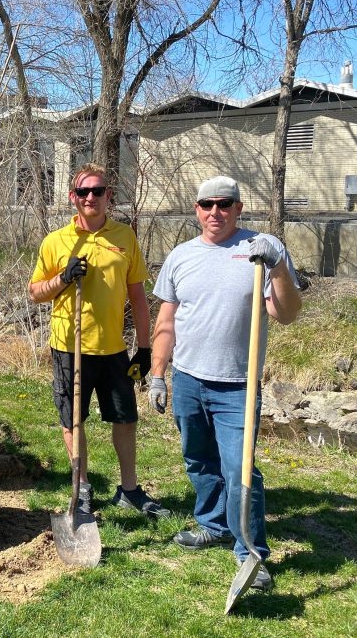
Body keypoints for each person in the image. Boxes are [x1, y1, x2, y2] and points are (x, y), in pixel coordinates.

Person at [149, 175, 302, 592]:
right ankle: (213, 525)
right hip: (188, 379)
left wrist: (279, 266)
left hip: (238, 382)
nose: (215, 212)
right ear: (196, 209)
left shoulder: (259, 251)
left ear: (238, 208)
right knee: (198, 460)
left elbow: (286, 314)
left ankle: (251, 553)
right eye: (206, 204)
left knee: (240, 471)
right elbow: (166, 321)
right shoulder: (180, 256)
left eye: (224, 204)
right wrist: (157, 374)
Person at [28, 162, 168, 518]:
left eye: (98, 191)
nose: (91, 197)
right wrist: (62, 278)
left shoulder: (124, 237)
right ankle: (83, 488)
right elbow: (35, 292)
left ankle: (130, 490)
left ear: (109, 196)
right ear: (73, 197)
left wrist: (145, 348)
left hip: (115, 350)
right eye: (83, 192)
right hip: (68, 348)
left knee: (125, 418)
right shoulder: (56, 241)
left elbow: (138, 296)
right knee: (73, 420)